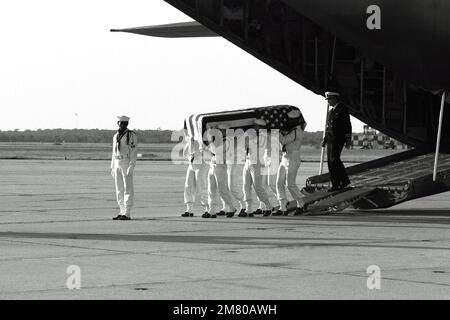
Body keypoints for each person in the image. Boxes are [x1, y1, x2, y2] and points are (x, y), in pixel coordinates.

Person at [270, 109, 307, 216]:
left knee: (290, 184)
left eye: (290, 120)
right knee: (279, 183)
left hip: (293, 158)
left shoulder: (296, 131)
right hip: (285, 157)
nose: (288, 122)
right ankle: (282, 207)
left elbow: (284, 141)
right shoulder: (292, 130)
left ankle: (302, 203)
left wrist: (277, 131)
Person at [242, 119, 274, 217]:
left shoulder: (263, 137)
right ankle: (249, 209)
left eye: (256, 126)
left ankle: (268, 206)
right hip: (248, 161)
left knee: (258, 187)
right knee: (245, 186)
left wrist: (248, 136)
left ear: (260, 128)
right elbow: (244, 147)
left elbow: (254, 144)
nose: (254, 127)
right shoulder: (251, 135)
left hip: (257, 163)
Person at [321, 92, 352, 192]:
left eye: (329, 99)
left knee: (335, 160)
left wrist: (348, 139)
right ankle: (335, 184)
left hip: (338, 139)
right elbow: (328, 127)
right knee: (330, 162)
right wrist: (325, 139)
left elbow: (348, 125)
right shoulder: (331, 112)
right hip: (330, 139)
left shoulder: (343, 109)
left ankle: (344, 181)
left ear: (335, 98)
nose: (328, 102)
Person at [204, 125, 237, 218]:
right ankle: (212, 211)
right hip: (212, 166)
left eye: (221, 130)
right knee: (211, 190)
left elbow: (217, 151)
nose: (219, 132)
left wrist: (208, 143)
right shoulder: (216, 141)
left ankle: (231, 208)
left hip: (220, 167)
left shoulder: (227, 141)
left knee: (222, 190)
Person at [111, 115, 138, 220]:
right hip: (117, 162)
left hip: (126, 161)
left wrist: (131, 165)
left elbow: (134, 151)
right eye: (120, 123)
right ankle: (121, 210)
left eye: (123, 123)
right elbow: (113, 152)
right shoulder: (115, 136)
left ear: (127, 124)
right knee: (119, 188)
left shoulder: (131, 136)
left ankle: (127, 212)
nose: (121, 125)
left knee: (128, 188)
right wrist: (112, 166)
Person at [182, 136, 209, 217]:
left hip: (202, 163)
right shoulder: (191, 137)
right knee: (188, 186)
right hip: (192, 163)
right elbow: (185, 152)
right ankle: (189, 209)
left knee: (202, 186)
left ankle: (208, 208)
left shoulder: (203, 135)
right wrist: (190, 157)